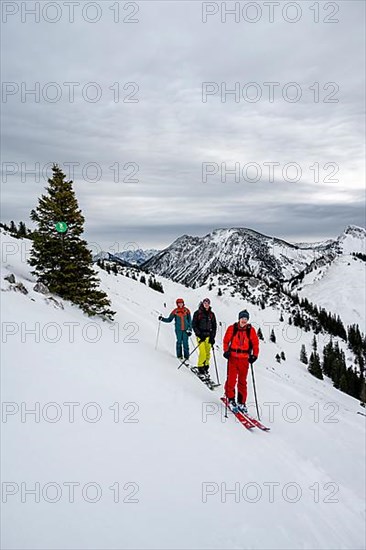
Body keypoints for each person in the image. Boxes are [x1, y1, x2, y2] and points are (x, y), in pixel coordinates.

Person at [223, 309, 259, 413]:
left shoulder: (250, 330)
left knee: (242, 382)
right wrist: (226, 351)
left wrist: (254, 356)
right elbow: (226, 341)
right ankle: (230, 398)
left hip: (244, 359)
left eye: (246, 319)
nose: (244, 320)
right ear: (239, 318)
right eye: (243, 318)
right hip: (233, 358)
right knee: (231, 379)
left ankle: (241, 402)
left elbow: (255, 344)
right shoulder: (232, 328)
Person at [192, 298, 217, 378]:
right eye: (205, 303)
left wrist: (212, 337)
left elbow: (214, 326)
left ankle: (206, 366)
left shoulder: (211, 314)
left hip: (208, 336)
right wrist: (199, 334)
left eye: (208, 303)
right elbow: (194, 325)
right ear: (202, 304)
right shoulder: (197, 313)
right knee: (202, 352)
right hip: (201, 336)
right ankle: (200, 367)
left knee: (207, 353)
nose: (206, 304)